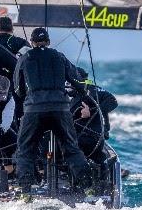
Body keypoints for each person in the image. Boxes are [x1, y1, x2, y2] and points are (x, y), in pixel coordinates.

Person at [13, 27, 92, 192]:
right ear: (48, 42)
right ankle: (87, 188)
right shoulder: (59, 56)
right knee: (71, 148)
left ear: (32, 42)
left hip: (34, 110)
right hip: (60, 109)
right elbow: (77, 80)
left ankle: (25, 191)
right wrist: (82, 93)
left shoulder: (24, 58)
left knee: (25, 150)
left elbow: (18, 90)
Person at [69, 68, 118, 165]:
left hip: (89, 136)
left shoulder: (92, 91)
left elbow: (113, 102)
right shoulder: (73, 94)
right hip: (91, 135)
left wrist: (92, 112)